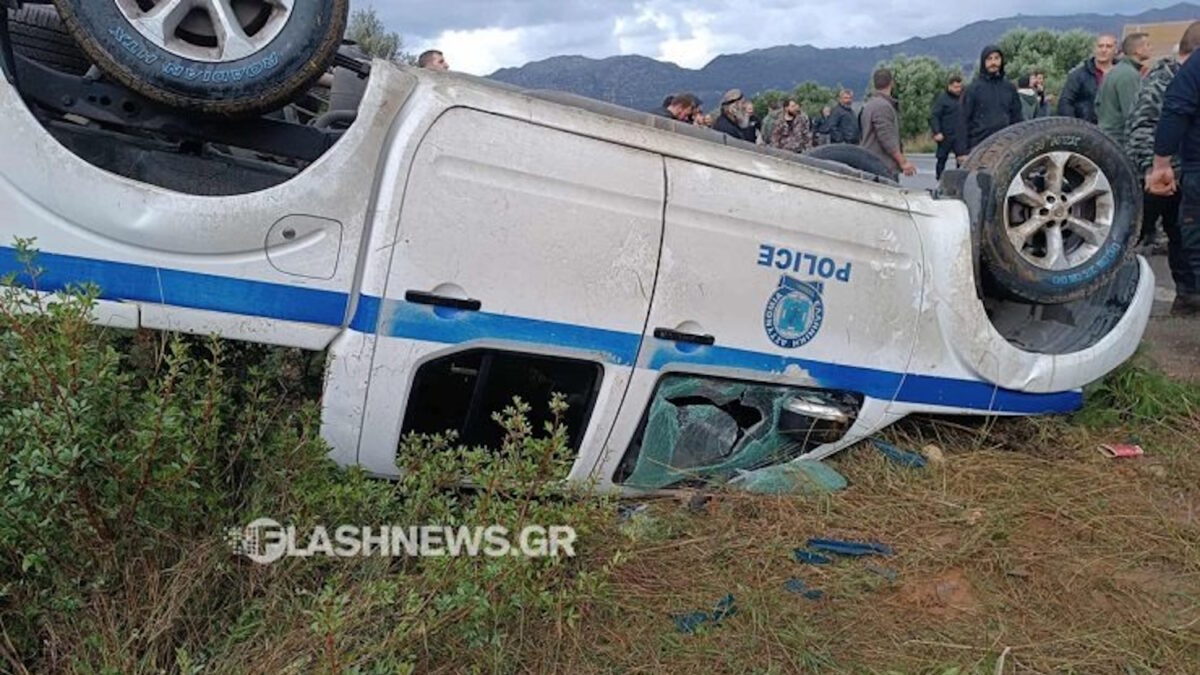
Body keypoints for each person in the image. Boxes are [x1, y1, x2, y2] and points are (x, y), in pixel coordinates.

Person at [1147, 22, 1200, 316]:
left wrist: (1159, 165)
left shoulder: (1191, 70)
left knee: (1191, 242)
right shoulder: (1162, 76)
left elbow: (1175, 111)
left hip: (1191, 170)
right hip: (1183, 172)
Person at [860, 69, 917, 180]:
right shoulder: (883, 107)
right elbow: (886, 138)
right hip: (882, 167)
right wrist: (903, 162)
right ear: (892, 83)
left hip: (869, 162)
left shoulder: (869, 105)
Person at [963, 45, 1023, 151]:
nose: (993, 62)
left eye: (996, 58)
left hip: (1005, 145)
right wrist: (962, 150)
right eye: (989, 59)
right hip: (978, 145)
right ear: (983, 62)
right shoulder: (973, 89)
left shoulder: (1009, 88)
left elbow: (1017, 117)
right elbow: (963, 120)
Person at [1097, 33, 1152, 147]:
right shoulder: (1129, 75)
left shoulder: (1115, 71)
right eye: (1147, 45)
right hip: (1119, 141)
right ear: (1138, 50)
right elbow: (1133, 113)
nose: (1151, 48)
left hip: (1106, 138)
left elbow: (1097, 105)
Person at [1059, 34, 1118, 123]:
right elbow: (1065, 102)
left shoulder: (1123, 74)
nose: (1104, 50)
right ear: (1094, 49)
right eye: (1100, 46)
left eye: (1108, 46)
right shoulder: (1077, 75)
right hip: (1087, 129)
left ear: (1116, 50)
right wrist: (1074, 127)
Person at [929, 74, 969, 179]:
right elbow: (934, 116)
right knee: (942, 159)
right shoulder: (942, 99)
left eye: (960, 87)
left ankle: (960, 181)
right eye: (955, 87)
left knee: (962, 161)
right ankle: (939, 179)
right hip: (945, 135)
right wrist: (936, 132)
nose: (958, 89)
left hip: (961, 135)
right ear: (949, 86)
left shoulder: (964, 98)